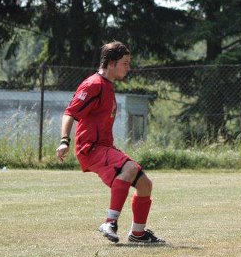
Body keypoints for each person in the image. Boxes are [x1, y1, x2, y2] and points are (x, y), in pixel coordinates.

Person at [56, 41, 164, 244]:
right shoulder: (94, 84)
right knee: (130, 168)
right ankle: (110, 222)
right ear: (112, 63)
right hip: (91, 148)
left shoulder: (107, 86)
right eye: (125, 62)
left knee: (145, 185)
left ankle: (138, 234)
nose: (128, 67)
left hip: (104, 147)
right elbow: (70, 112)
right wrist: (64, 141)